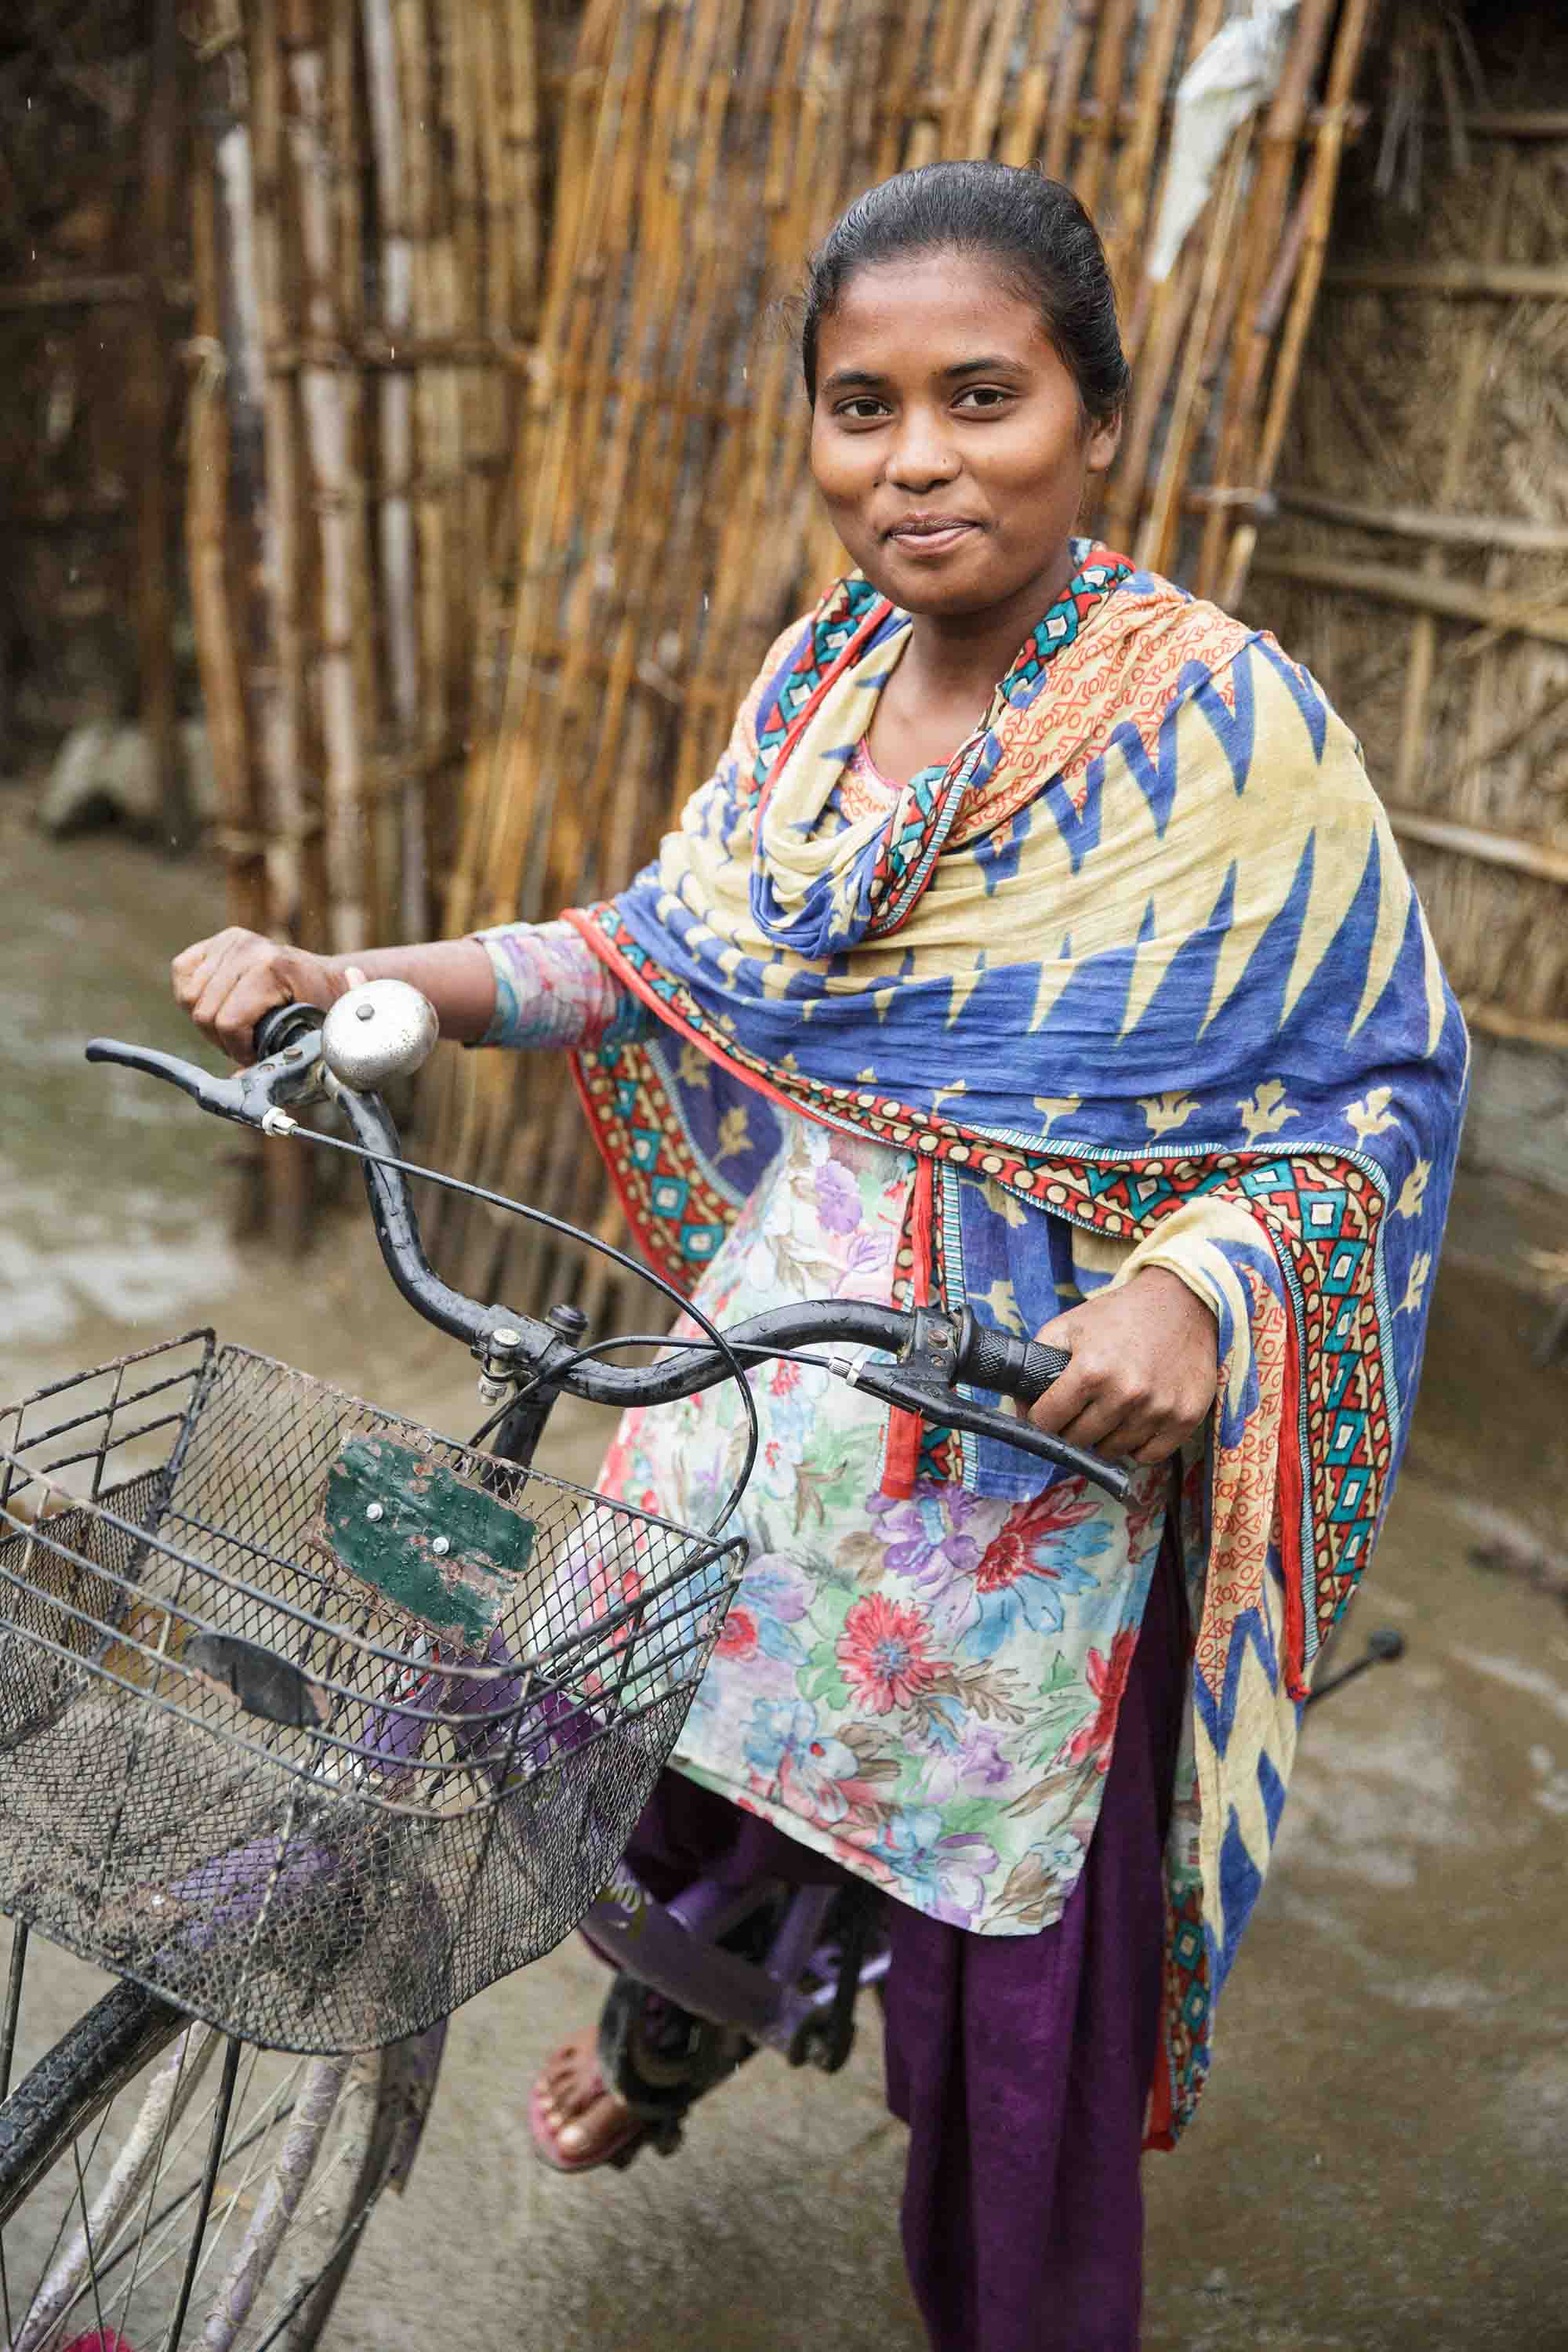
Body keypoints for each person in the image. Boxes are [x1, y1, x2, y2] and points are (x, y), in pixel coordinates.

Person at [173, 162, 1465, 2352]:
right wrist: (338, 966)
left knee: (1001, 1960)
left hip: (1029, 1421)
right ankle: (673, 2036)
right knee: (642, 1720)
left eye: (984, 396)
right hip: (788, 1344)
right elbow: (641, 953)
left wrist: (1194, 1285)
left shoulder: (1221, 725)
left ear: (1096, 419)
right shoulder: (815, 690)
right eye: (862, 409)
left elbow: (1385, 1097)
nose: (919, 460)